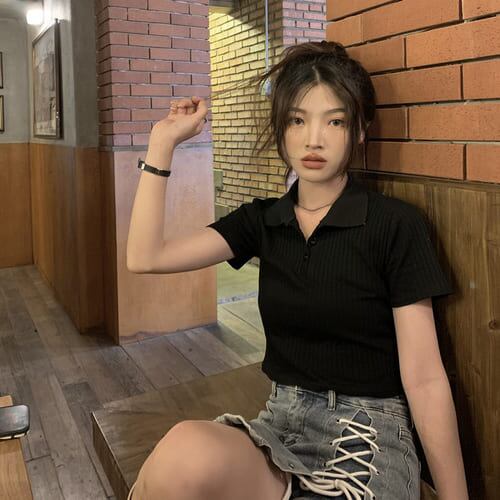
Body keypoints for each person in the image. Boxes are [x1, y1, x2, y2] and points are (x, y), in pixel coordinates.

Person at [126, 41, 469, 500]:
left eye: (335, 121)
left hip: (367, 438)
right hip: (281, 424)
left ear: (360, 131)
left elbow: (425, 379)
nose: (313, 139)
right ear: (282, 128)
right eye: (297, 120)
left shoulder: (394, 225)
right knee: (181, 452)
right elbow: (145, 257)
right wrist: (162, 142)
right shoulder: (263, 221)